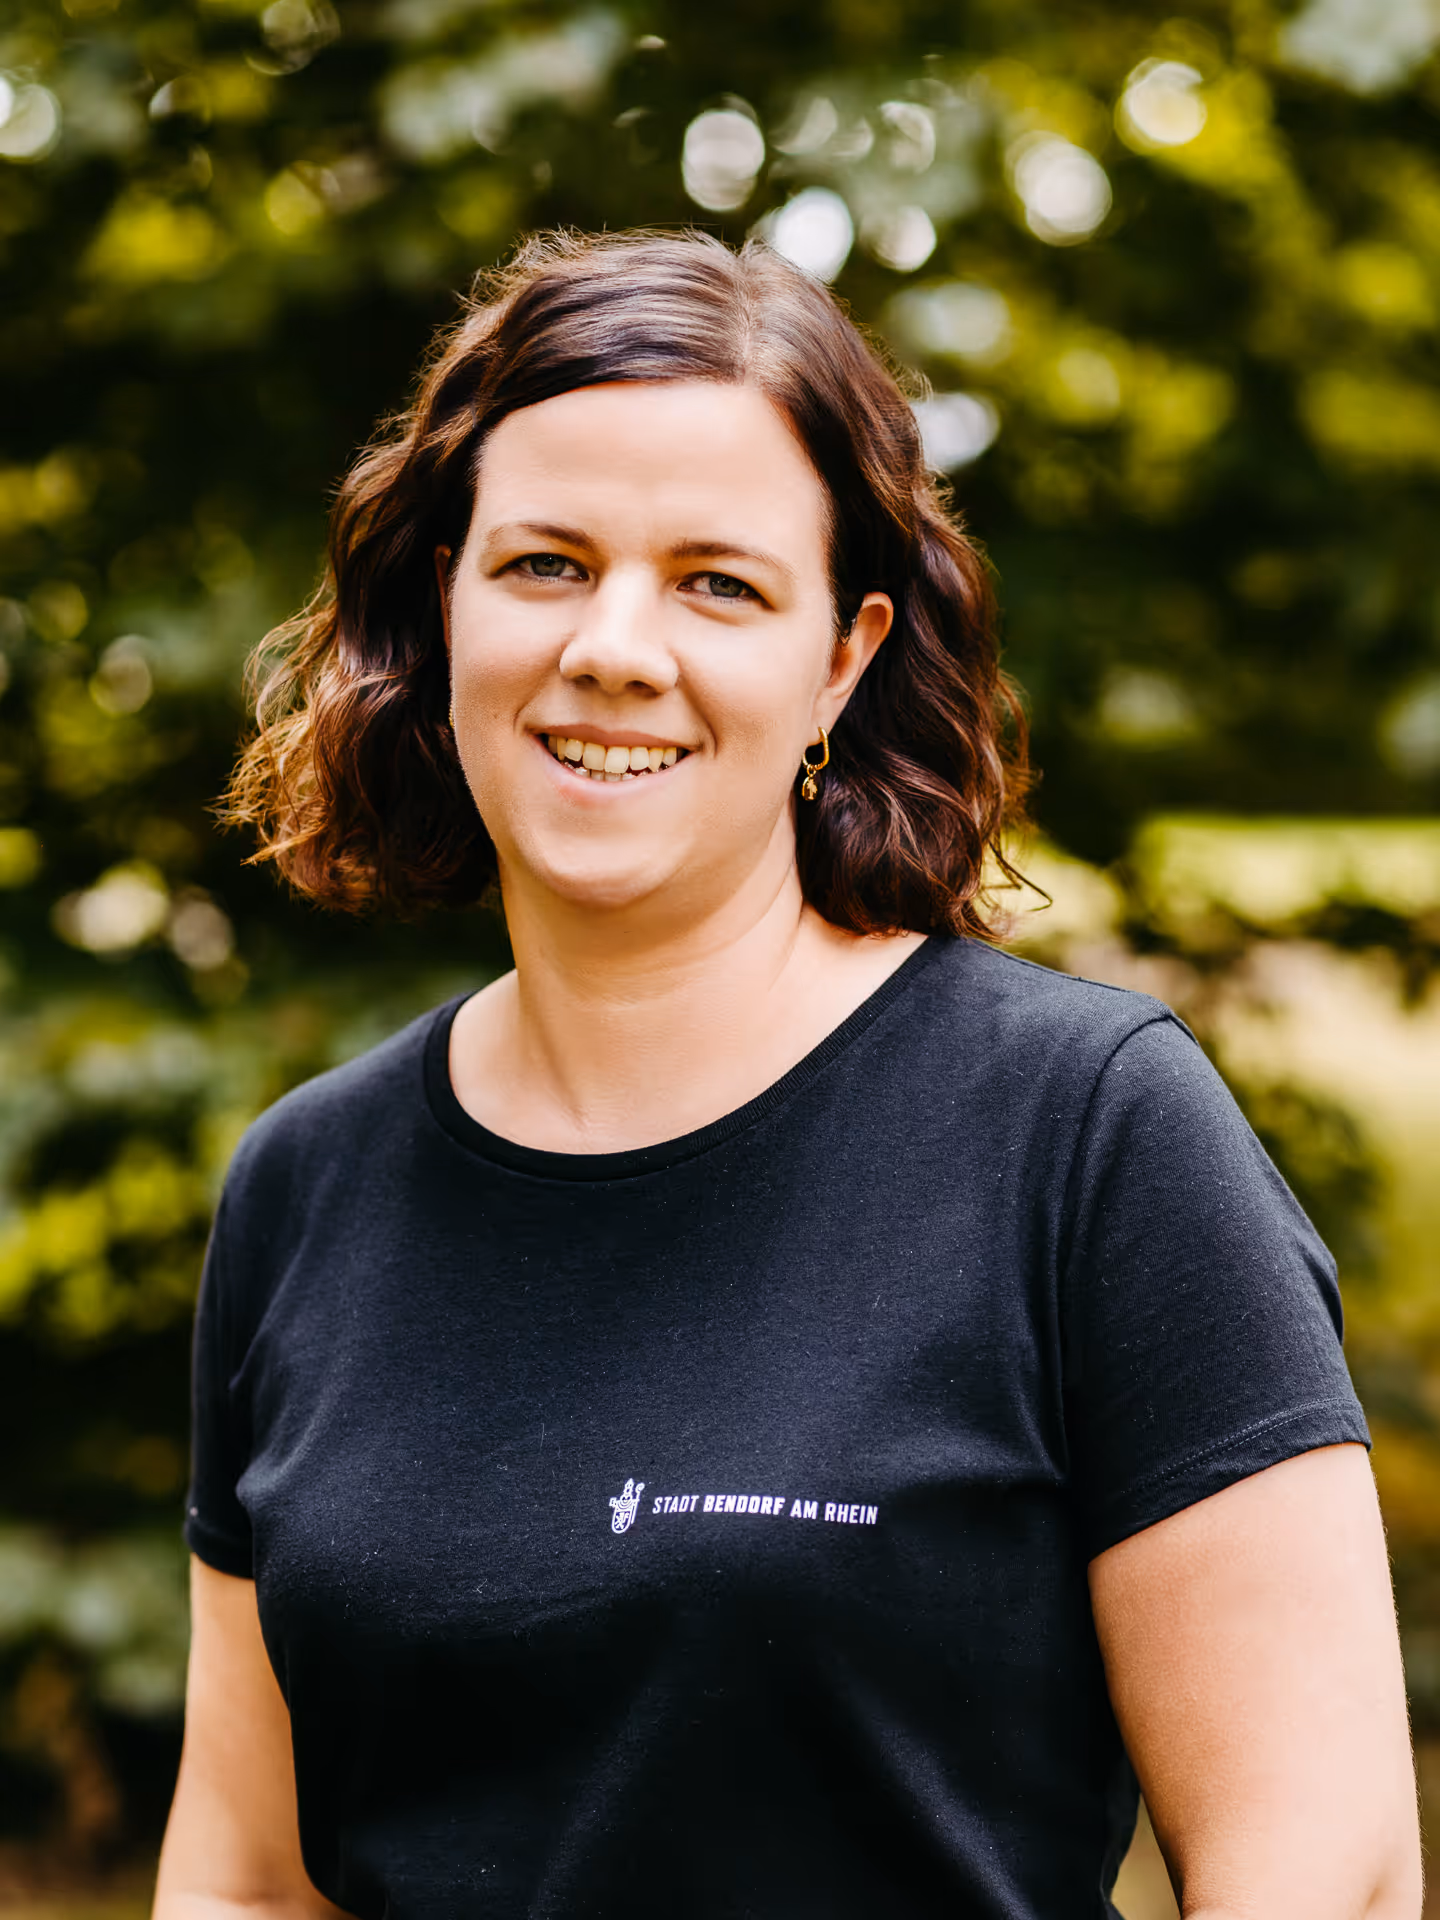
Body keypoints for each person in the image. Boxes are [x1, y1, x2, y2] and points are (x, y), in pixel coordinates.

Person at [153, 229, 1421, 1920]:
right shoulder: (307, 1184)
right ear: (442, 597)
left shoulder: (1089, 1133)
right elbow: (242, 1878)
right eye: (544, 563)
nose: (614, 645)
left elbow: (1320, 1865)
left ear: (841, 655)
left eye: (715, 581)